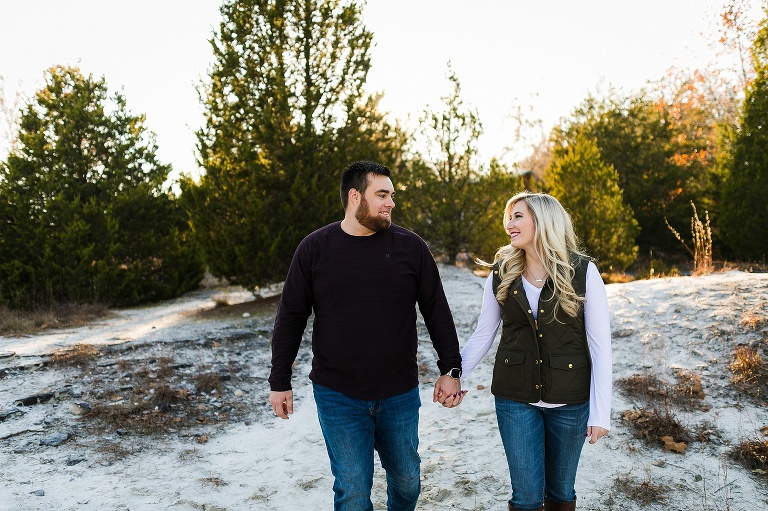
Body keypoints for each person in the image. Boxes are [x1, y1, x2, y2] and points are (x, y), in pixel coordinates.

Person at [268, 160, 466, 511]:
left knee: (407, 480)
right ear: (354, 196)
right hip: (337, 393)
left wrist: (451, 370)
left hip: (398, 391)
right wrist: (279, 380)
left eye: (392, 195)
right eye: (382, 195)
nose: (391, 202)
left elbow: (436, 310)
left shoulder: (411, 248)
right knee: (353, 491)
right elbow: (290, 318)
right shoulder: (314, 249)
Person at [460, 192, 612, 511]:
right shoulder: (502, 272)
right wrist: (454, 375)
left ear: (543, 222)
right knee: (526, 497)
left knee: (560, 492)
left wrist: (601, 413)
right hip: (515, 399)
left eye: (518, 216)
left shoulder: (583, 272)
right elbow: (483, 333)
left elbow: (601, 348)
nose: (509, 224)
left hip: (570, 402)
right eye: (509, 216)